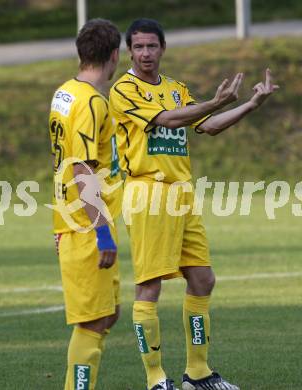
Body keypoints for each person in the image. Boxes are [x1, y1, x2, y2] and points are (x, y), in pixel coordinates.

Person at [109, 18, 279, 390]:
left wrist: (251, 104)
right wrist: (213, 101)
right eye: (138, 47)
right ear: (128, 51)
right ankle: (155, 378)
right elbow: (167, 120)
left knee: (203, 279)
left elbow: (208, 124)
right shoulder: (123, 90)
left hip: (182, 194)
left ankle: (197, 373)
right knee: (150, 286)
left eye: (152, 46)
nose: (145, 53)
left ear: (163, 48)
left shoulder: (175, 88)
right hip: (147, 193)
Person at [49, 18, 122, 390]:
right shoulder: (93, 102)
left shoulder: (65, 92)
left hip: (73, 222)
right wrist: (102, 232)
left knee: (108, 314)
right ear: (114, 55)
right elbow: (80, 169)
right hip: (86, 227)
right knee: (93, 322)